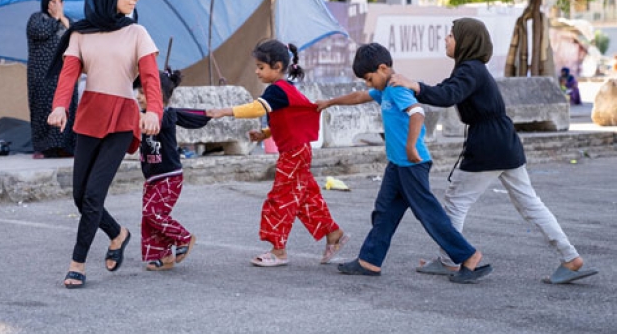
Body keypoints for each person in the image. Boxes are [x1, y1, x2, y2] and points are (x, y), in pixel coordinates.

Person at [390, 18, 598, 285]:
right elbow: (445, 90)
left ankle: (450, 260)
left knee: (456, 201)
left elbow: (447, 95)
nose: (446, 39)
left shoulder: (470, 70)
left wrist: (413, 85)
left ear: (465, 41)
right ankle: (570, 257)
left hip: (488, 142)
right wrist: (419, 87)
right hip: (505, 140)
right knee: (530, 203)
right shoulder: (473, 70)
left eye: (451, 35)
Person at [317, 42, 493, 283]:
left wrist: (411, 146)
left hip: (412, 163)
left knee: (428, 214)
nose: (368, 85)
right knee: (384, 212)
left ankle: (469, 256)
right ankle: (369, 260)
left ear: (382, 68)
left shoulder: (396, 87)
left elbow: (417, 113)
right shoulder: (383, 89)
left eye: (369, 78)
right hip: (397, 165)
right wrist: (330, 102)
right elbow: (359, 95)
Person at [47, 0, 163, 289]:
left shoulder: (137, 33)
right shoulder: (80, 34)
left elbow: (151, 79)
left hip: (123, 119)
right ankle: (117, 233)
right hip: (89, 115)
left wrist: (153, 110)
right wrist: (59, 106)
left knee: (94, 194)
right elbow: (68, 74)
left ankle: (77, 263)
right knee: (80, 195)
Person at [206, 39, 349, 267]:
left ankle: (278, 250)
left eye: (261, 67)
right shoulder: (283, 90)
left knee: (280, 199)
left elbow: (256, 107)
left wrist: (225, 111)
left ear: (278, 67)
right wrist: (264, 134)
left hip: (294, 152)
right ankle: (333, 233)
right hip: (299, 149)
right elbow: (287, 121)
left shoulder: (277, 90)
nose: (257, 71)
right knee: (304, 198)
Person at [134, 69, 211, 271]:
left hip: (169, 176)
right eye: (138, 92)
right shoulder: (140, 116)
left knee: (153, 213)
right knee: (149, 217)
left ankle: (184, 237)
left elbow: (185, 116)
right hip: (152, 176)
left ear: (157, 94)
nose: (138, 96)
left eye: (143, 92)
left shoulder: (165, 116)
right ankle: (164, 256)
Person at [27, 0, 76, 159]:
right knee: (43, 108)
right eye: (53, 1)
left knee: (65, 107)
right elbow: (40, 32)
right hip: (42, 75)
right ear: (46, 3)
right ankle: (42, 148)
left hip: (64, 73)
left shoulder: (67, 20)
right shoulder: (37, 19)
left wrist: (62, 20)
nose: (57, 5)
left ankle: (64, 146)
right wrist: (55, 19)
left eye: (60, 1)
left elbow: (75, 37)